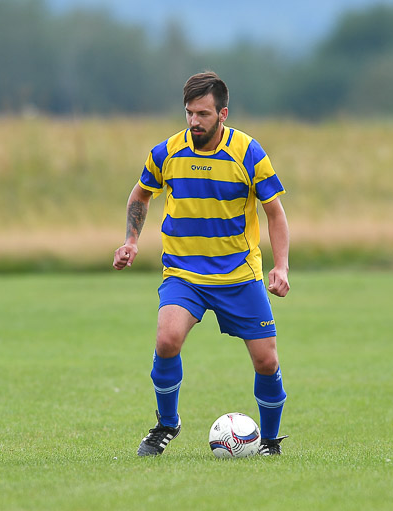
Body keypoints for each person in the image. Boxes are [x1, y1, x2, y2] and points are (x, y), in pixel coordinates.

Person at [112, 71, 291, 457]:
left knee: (266, 360)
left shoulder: (248, 152)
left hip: (239, 275)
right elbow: (140, 195)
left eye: (203, 114)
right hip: (184, 273)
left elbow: (275, 213)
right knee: (166, 340)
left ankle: (270, 441)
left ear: (222, 114)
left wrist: (281, 266)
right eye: (189, 113)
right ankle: (166, 424)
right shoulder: (166, 152)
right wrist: (131, 241)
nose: (194, 121)